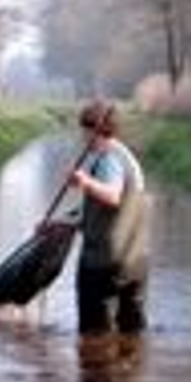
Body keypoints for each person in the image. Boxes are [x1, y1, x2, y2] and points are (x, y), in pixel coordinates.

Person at [40, 100, 149, 336]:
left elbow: (112, 196)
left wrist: (84, 181)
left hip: (103, 264)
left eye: (83, 130)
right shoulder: (125, 155)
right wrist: (60, 223)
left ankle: (96, 373)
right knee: (132, 335)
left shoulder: (109, 160)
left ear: (92, 130)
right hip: (135, 263)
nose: (81, 137)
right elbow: (104, 213)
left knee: (93, 336)